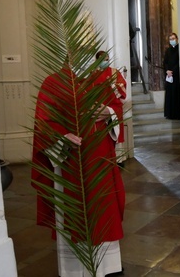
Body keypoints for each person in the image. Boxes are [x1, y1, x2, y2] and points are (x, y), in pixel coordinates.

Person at [31, 62, 125, 276]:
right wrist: (61, 137)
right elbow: (43, 121)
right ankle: (75, 268)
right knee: (76, 212)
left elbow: (116, 106)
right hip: (71, 161)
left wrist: (108, 112)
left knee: (103, 209)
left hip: (100, 159)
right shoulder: (54, 82)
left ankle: (108, 265)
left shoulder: (100, 80)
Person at [94, 50, 127, 165]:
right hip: (101, 108)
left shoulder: (114, 72)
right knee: (104, 134)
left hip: (114, 107)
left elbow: (122, 84)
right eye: (103, 59)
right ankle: (105, 159)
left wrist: (113, 85)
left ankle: (118, 159)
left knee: (117, 132)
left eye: (107, 59)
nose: (105, 61)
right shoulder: (93, 74)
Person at [163, 32, 180, 120]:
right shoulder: (168, 50)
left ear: (177, 39)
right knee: (169, 95)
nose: (172, 40)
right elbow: (165, 62)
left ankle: (177, 114)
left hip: (177, 75)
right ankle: (169, 114)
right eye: (170, 39)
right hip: (169, 76)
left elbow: (179, 62)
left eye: (173, 39)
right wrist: (167, 71)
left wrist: (173, 71)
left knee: (176, 95)